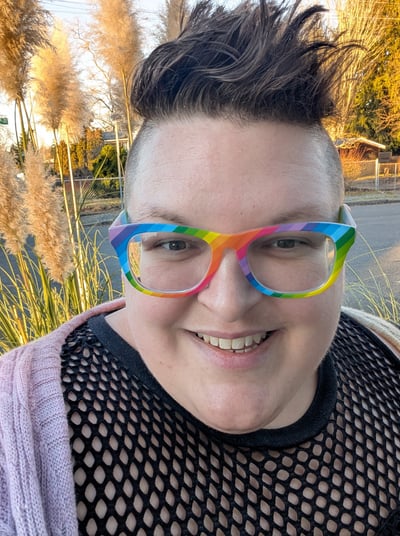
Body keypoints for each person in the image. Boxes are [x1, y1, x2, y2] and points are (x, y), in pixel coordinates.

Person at [1, 0, 400, 534]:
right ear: (126, 246)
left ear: (341, 242)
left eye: (284, 242)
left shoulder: (389, 358)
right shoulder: (15, 432)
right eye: (173, 244)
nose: (229, 303)